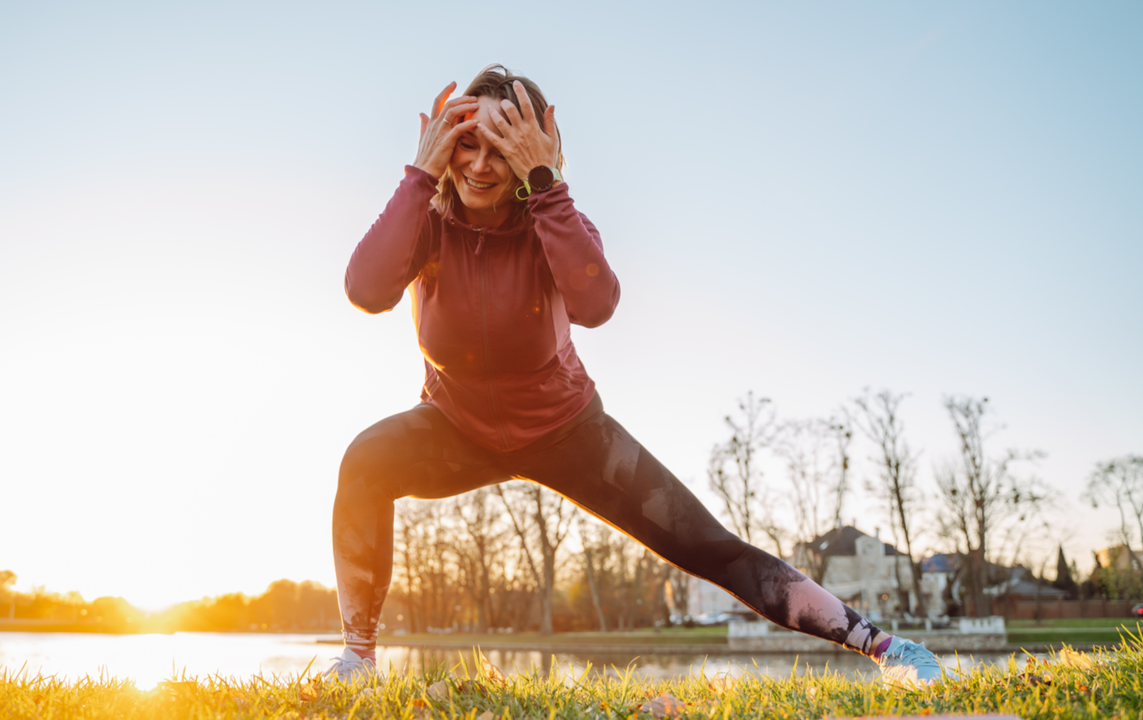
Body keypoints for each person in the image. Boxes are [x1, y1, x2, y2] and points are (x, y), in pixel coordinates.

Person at [329, 64, 951, 687]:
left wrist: (547, 186)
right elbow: (365, 289)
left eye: (504, 147)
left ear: (532, 155)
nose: (481, 165)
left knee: (709, 546)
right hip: (455, 428)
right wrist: (417, 178)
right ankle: (356, 660)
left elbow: (597, 306)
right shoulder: (427, 222)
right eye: (467, 142)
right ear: (444, 141)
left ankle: (889, 648)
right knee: (364, 462)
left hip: (569, 432)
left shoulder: (552, 215)